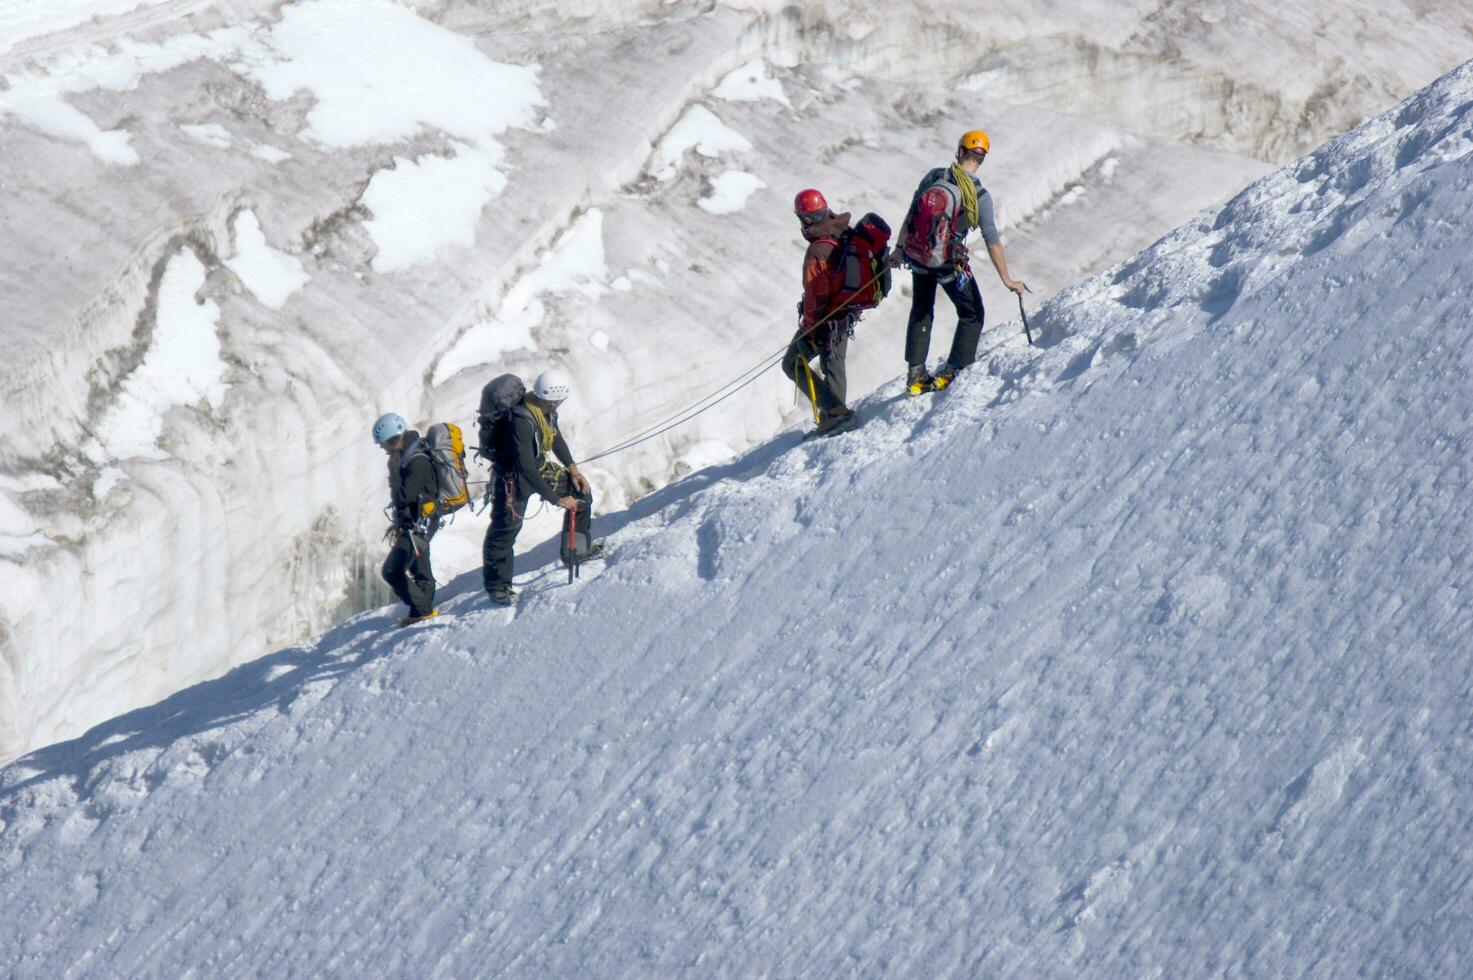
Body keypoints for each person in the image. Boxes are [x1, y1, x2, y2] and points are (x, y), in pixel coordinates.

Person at [892, 130, 1028, 395]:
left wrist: (899, 249)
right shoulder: (979, 195)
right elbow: (991, 239)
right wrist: (1007, 279)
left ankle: (915, 376)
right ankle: (953, 371)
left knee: (922, 308)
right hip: (947, 262)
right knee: (972, 313)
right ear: (982, 158)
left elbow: (912, 213)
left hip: (919, 255)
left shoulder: (934, 176)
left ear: (960, 150)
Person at [482, 369, 597, 606]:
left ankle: (576, 551)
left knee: (581, 492)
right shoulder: (523, 421)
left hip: (535, 469)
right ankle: (498, 587)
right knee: (505, 532)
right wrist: (556, 499)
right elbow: (525, 468)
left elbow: (554, 438)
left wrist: (573, 470)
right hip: (513, 479)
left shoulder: (546, 411)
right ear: (554, 399)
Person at [784, 188, 857, 435]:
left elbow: (816, 295)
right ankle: (833, 416)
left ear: (806, 219)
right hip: (845, 313)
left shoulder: (818, 250)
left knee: (792, 362)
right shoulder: (842, 232)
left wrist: (810, 327)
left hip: (826, 318)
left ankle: (837, 414)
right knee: (834, 365)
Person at [374, 412, 440, 626]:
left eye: (384, 443)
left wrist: (394, 474)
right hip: (420, 522)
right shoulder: (408, 455)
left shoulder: (416, 461)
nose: (383, 448)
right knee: (420, 569)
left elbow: (405, 497)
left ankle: (423, 609)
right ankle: (421, 613)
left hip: (419, 524)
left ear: (393, 439)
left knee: (392, 570)